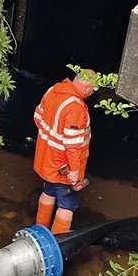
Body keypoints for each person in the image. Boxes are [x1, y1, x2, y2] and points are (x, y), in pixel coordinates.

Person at [32, 70, 98, 235]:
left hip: (46, 159)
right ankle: (57, 244)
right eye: (93, 89)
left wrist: (49, 143)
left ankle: (39, 232)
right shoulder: (76, 108)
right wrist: (74, 170)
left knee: (48, 192)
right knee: (66, 206)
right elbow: (72, 144)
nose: (93, 93)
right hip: (64, 166)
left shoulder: (54, 89)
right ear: (86, 87)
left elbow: (37, 117)